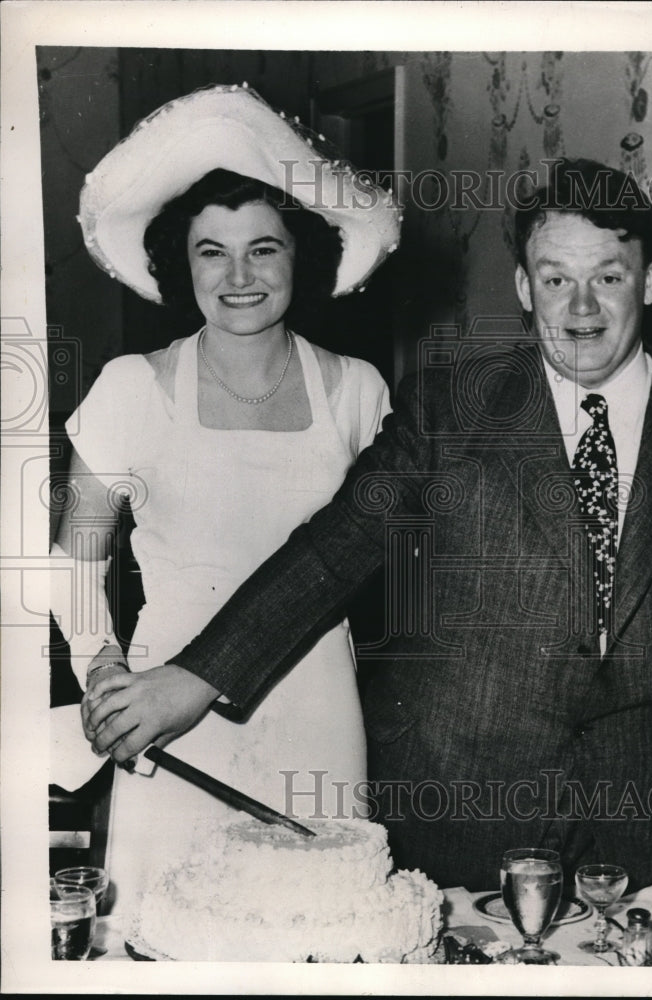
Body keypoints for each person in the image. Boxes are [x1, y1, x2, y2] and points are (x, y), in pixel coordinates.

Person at [85, 158, 652, 894]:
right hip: (466, 813)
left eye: (607, 277)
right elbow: (331, 554)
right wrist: (194, 679)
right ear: (523, 288)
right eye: (554, 279)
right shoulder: (448, 409)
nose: (580, 307)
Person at [51, 84, 400, 920]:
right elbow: (72, 564)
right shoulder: (131, 387)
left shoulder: (358, 390)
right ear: (182, 263)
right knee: (167, 931)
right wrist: (104, 673)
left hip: (316, 706)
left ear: (301, 257)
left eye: (264, 250)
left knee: (317, 929)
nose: (238, 277)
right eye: (213, 252)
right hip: (168, 712)